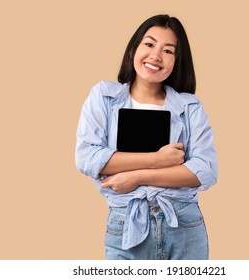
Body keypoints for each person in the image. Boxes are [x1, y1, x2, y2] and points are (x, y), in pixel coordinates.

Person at [75, 14, 218, 260]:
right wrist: (159, 159)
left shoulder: (190, 106)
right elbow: (88, 158)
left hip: (183, 225)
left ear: (177, 61)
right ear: (133, 50)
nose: (156, 56)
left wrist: (136, 176)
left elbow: (204, 170)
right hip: (126, 224)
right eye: (149, 44)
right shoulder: (104, 96)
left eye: (168, 50)